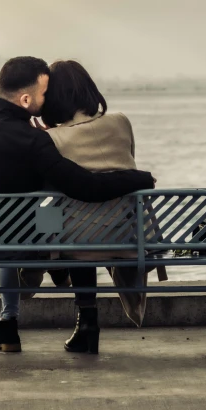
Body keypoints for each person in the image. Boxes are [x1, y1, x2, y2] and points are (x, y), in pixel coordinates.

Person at [0, 57, 155, 353]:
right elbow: (84, 186)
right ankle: (57, 276)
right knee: (58, 220)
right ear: (27, 98)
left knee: (34, 223)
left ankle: (10, 321)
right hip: (23, 240)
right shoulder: (34, 140)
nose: (47, 100)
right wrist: (139, 178)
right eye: (45, 94)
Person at [37, 60, 166, 354]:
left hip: (78, 240)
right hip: (127, 233)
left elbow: (47, 187)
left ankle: (86, 321)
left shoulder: (50, 138)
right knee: (86, 224)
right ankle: (82, 317)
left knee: (54, 216)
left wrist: (44, 135)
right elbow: (126, 164)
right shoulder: (121, 121)